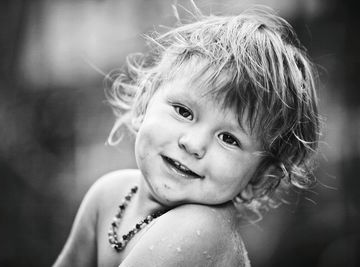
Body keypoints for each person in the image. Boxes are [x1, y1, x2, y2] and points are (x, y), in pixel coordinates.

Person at [53, 4, 320, 267]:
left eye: (229, 139)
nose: (193, 144)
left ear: (260, 178)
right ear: (144, 103)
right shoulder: (108, 194)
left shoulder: (201, 228)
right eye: (183, 111)